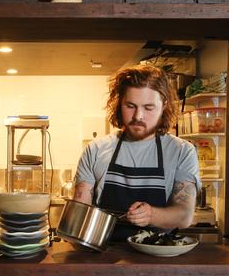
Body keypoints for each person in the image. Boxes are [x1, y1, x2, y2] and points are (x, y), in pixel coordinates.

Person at [73, 64, 200, 240]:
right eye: (130, 106)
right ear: (119, 104)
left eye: (148, 108)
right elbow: (80, 213)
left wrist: (151, 215)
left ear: (164, 105)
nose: (138, 116)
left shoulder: (182, 151)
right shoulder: (95, 150)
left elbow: (184, 216)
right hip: (105, 254)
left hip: (158, 255)